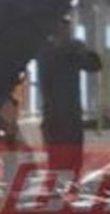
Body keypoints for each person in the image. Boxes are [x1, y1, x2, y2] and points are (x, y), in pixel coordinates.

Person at [37, 16, 102, 176]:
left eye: (67, 26)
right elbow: (94, 65)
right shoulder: (50, 49)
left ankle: (69, 181)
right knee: (60, 157)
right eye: (62, 26)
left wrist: (79, 51)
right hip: (57, 112)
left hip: (67, 112)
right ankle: (63, 182)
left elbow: (94, 65)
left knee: (70, 156)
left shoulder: (66, 48)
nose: (65, 30)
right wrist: (74, 50)